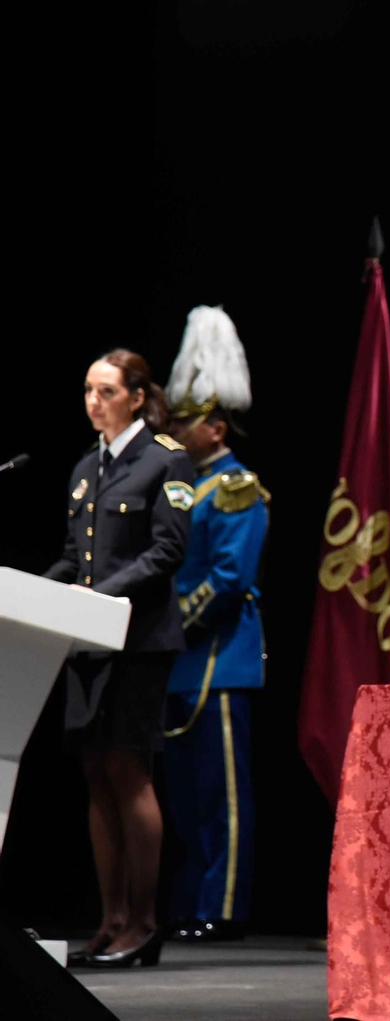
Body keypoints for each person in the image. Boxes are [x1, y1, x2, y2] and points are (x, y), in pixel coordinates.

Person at [43, 349, 193, 968]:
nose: (93, 401)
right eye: (86, 390)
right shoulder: (85, 468)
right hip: (87, 643)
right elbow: (73, 557)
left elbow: (166, 552)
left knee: (130, 775)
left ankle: (145, 922)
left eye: (105, 391)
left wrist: (95, 597)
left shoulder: (166, 460)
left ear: (136, 396)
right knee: (96, 778)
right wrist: (39, 590)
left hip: (138, 640)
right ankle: (109, 922)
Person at [161, 306, 269, 941]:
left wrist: (172, 623)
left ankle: (222, 906)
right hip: (180, 658)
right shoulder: (184, 486)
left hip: (220, 655)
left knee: (223, 796)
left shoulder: (235, 488)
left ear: (216, 427)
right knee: (187, 796)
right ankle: (190, 900)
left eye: (185, 422)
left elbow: (228, 579)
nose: (174, 431)